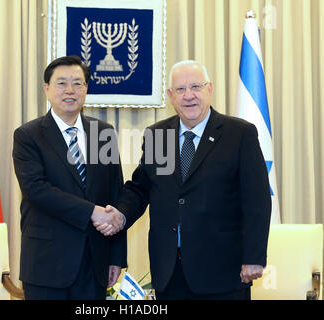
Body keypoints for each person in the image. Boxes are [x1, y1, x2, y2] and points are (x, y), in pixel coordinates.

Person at [100, 60, 271, 300]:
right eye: (180, 89)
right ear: (171, 95)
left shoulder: (239, 134)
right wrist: (120, 214)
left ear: (209, 89)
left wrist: (253, 258)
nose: (188, 95)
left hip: (223, 272)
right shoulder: (158, 135)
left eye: (195, 87)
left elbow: (257, 201)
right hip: (170, 273)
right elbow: (141, 188)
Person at [12, 55, 126, 300]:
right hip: (47, 265)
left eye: (78, 83)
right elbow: (36, 190)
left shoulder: (103, 133)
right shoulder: (28, 136)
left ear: (86, 89)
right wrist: (91, 212)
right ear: (47, 89)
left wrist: (116, 257)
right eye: (61, 83)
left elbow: (114, 194)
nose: (70, 90)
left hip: (94, 263)